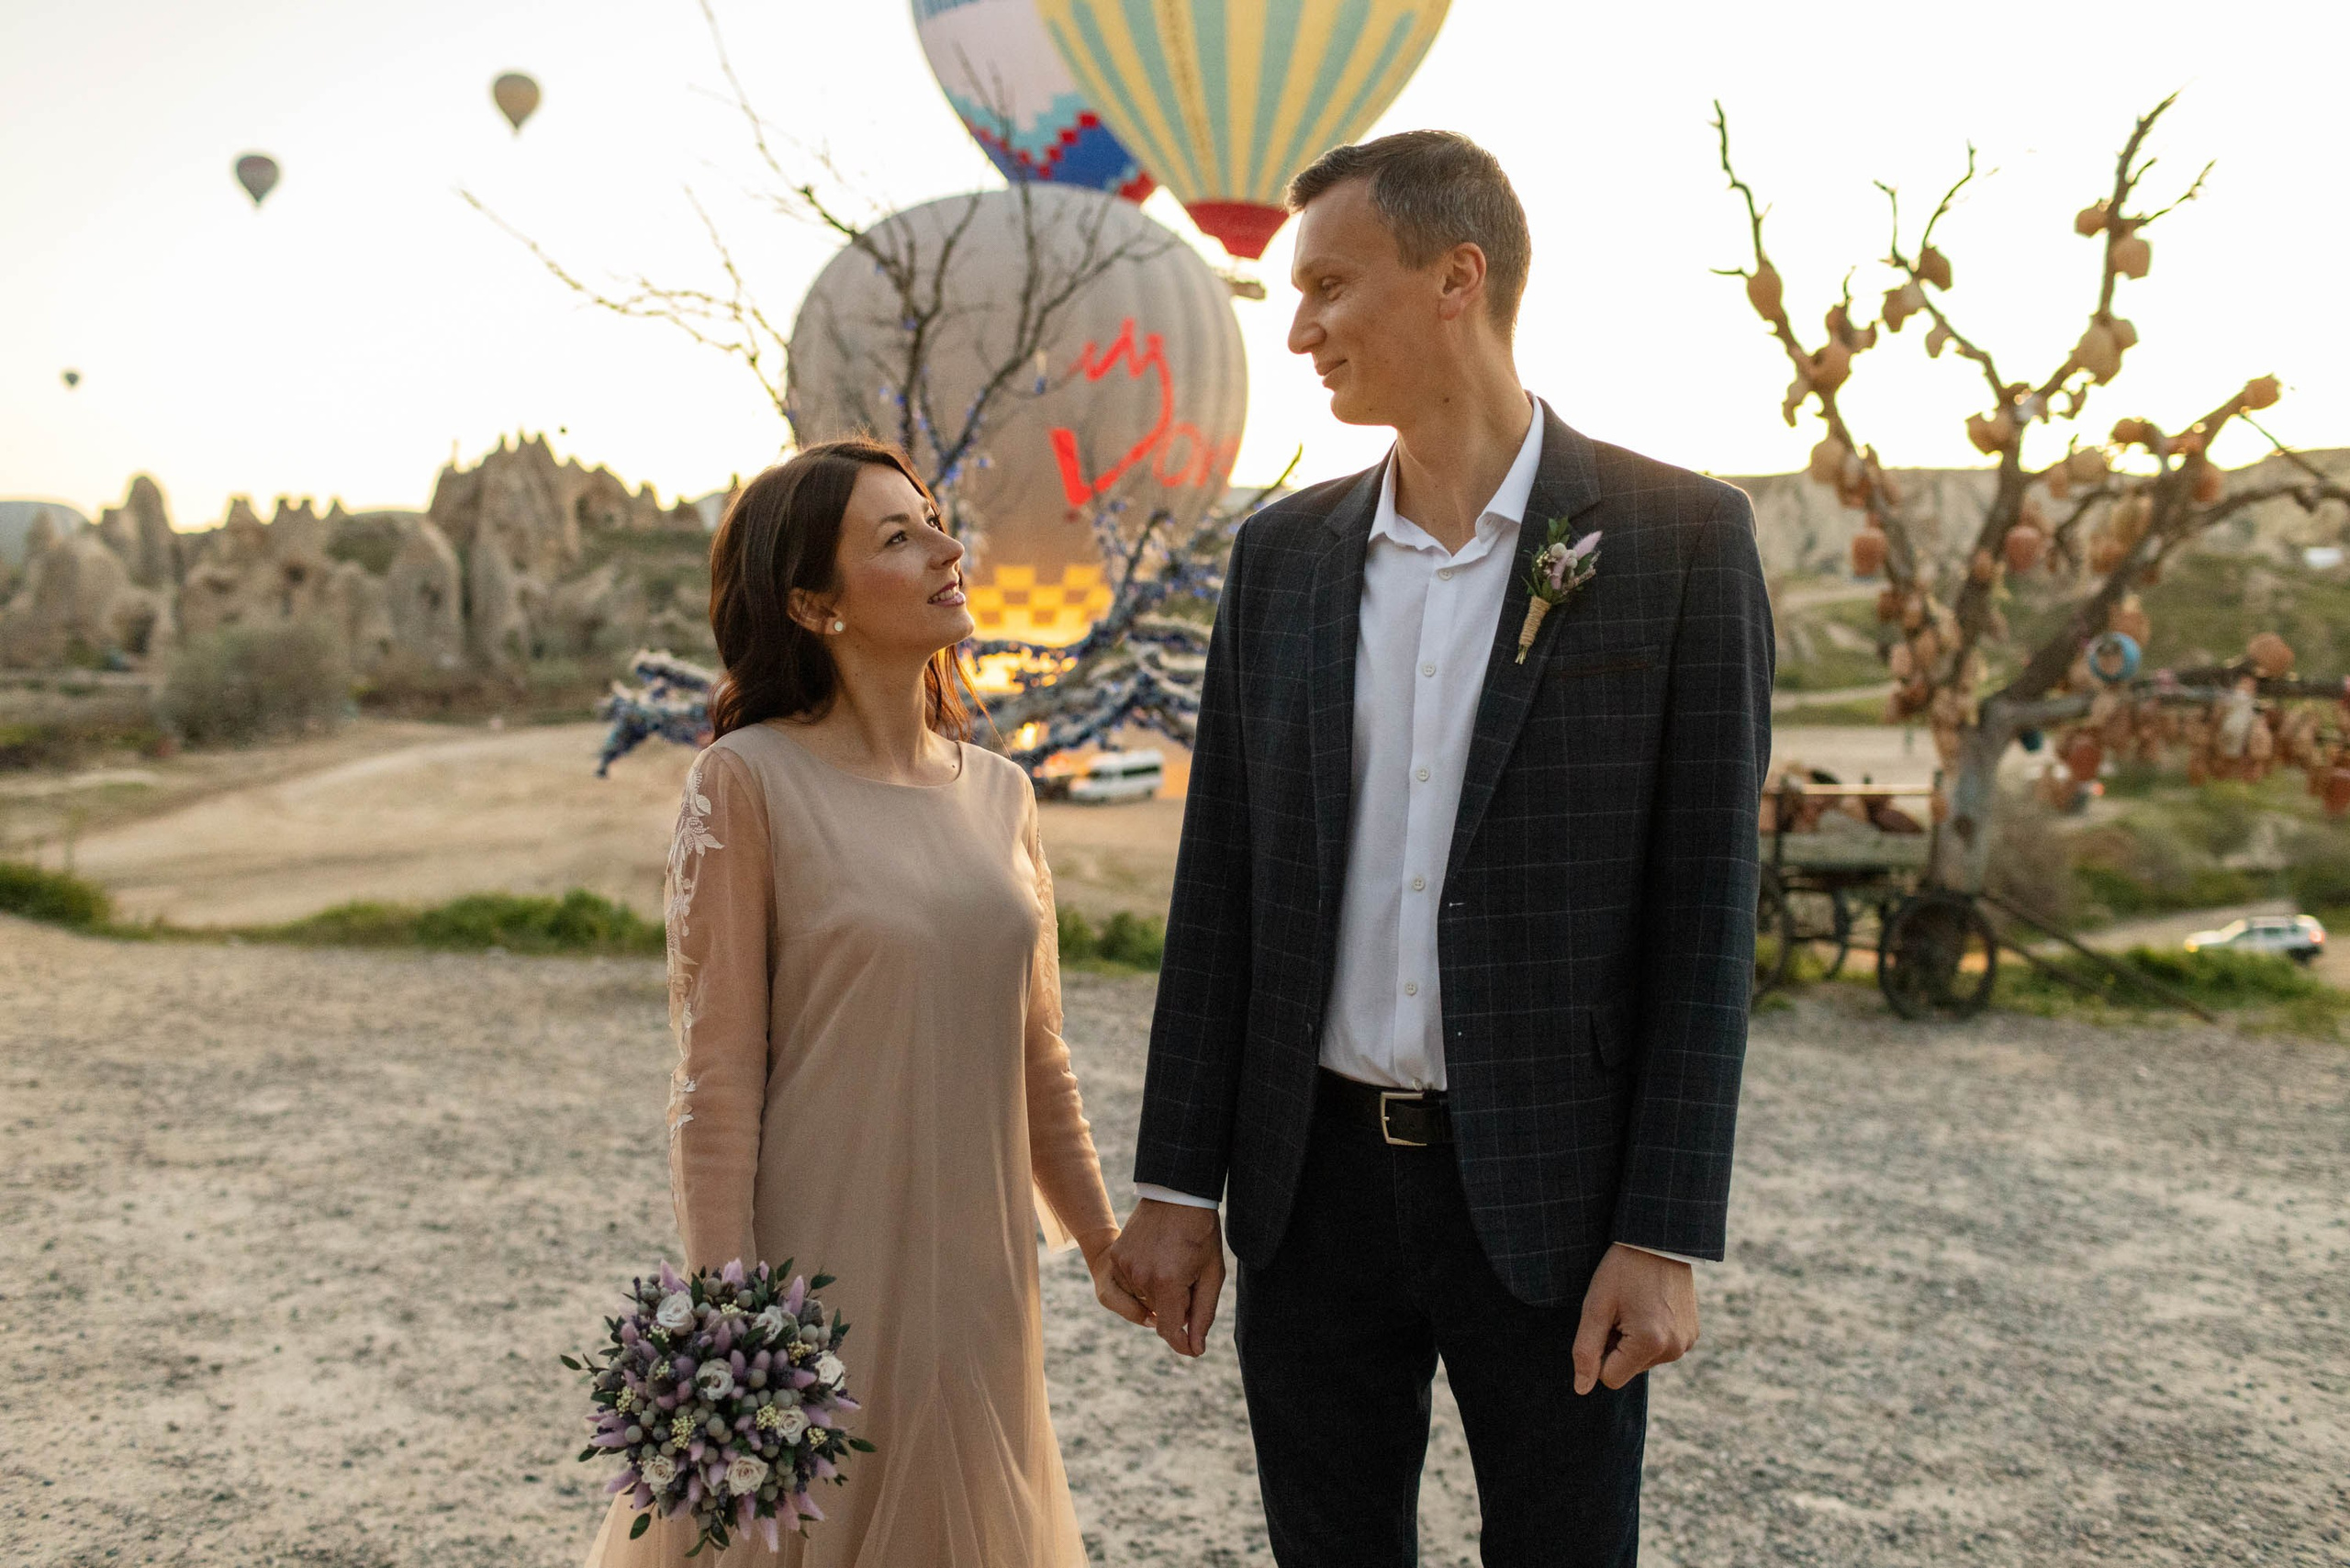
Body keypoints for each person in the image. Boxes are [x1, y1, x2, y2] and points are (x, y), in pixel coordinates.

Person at [1105, 131, 1774, 1565]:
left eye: (1332, 286)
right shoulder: (1279, 561)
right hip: (1311, 1192)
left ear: (1456, 278)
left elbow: (1708, 917)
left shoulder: (1681, 544)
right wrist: (1176, 1185)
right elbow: (1219, 886)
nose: (1299, 331)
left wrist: (1664, 1231)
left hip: (1554, 1195)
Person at [584, 439, 1138, 1567]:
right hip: (814, 1275)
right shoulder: (743, 782)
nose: (947, 547)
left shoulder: (1001, 792)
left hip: (984, 1271)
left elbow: (1038, 1056)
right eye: (898, 536)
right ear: (810, 602)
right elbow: (715, 1077)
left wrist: (1097, 1240)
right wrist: (729, 1322)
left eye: (935, 520)